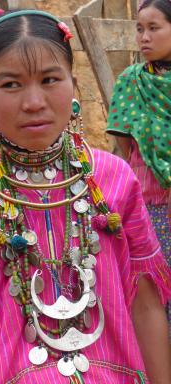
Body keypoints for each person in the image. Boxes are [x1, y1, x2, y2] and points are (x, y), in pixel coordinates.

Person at [0, 8, 170, 384]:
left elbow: (146, 307)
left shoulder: (115, 179)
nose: (34, 101)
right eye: (11, 85)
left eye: (50, 79)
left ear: (74, 85)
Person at [106, 0, 171, 333]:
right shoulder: (131, 82)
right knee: (155, 282)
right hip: (150, 203)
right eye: (140, 29)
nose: (144, 37)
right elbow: (124, 146)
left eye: (154, 28)